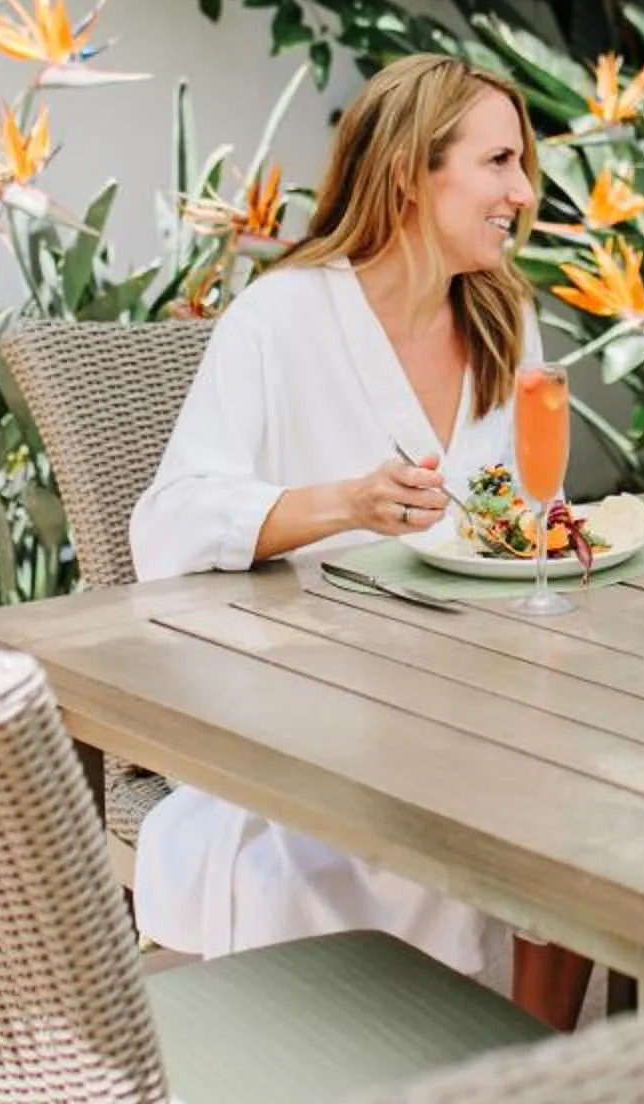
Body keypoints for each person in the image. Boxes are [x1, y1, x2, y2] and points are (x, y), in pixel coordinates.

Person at [127, 53, 592, 1024]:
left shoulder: (504, 318)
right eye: (499, 162)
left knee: (593, 809)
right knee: (522, 823)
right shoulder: (281, 317)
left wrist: (538, 533)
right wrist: (342, 503)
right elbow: (169, 523)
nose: (523, 192)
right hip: (313, 709)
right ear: (410, 174)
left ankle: (535, 1060)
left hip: (484, 691)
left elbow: (515, 516)